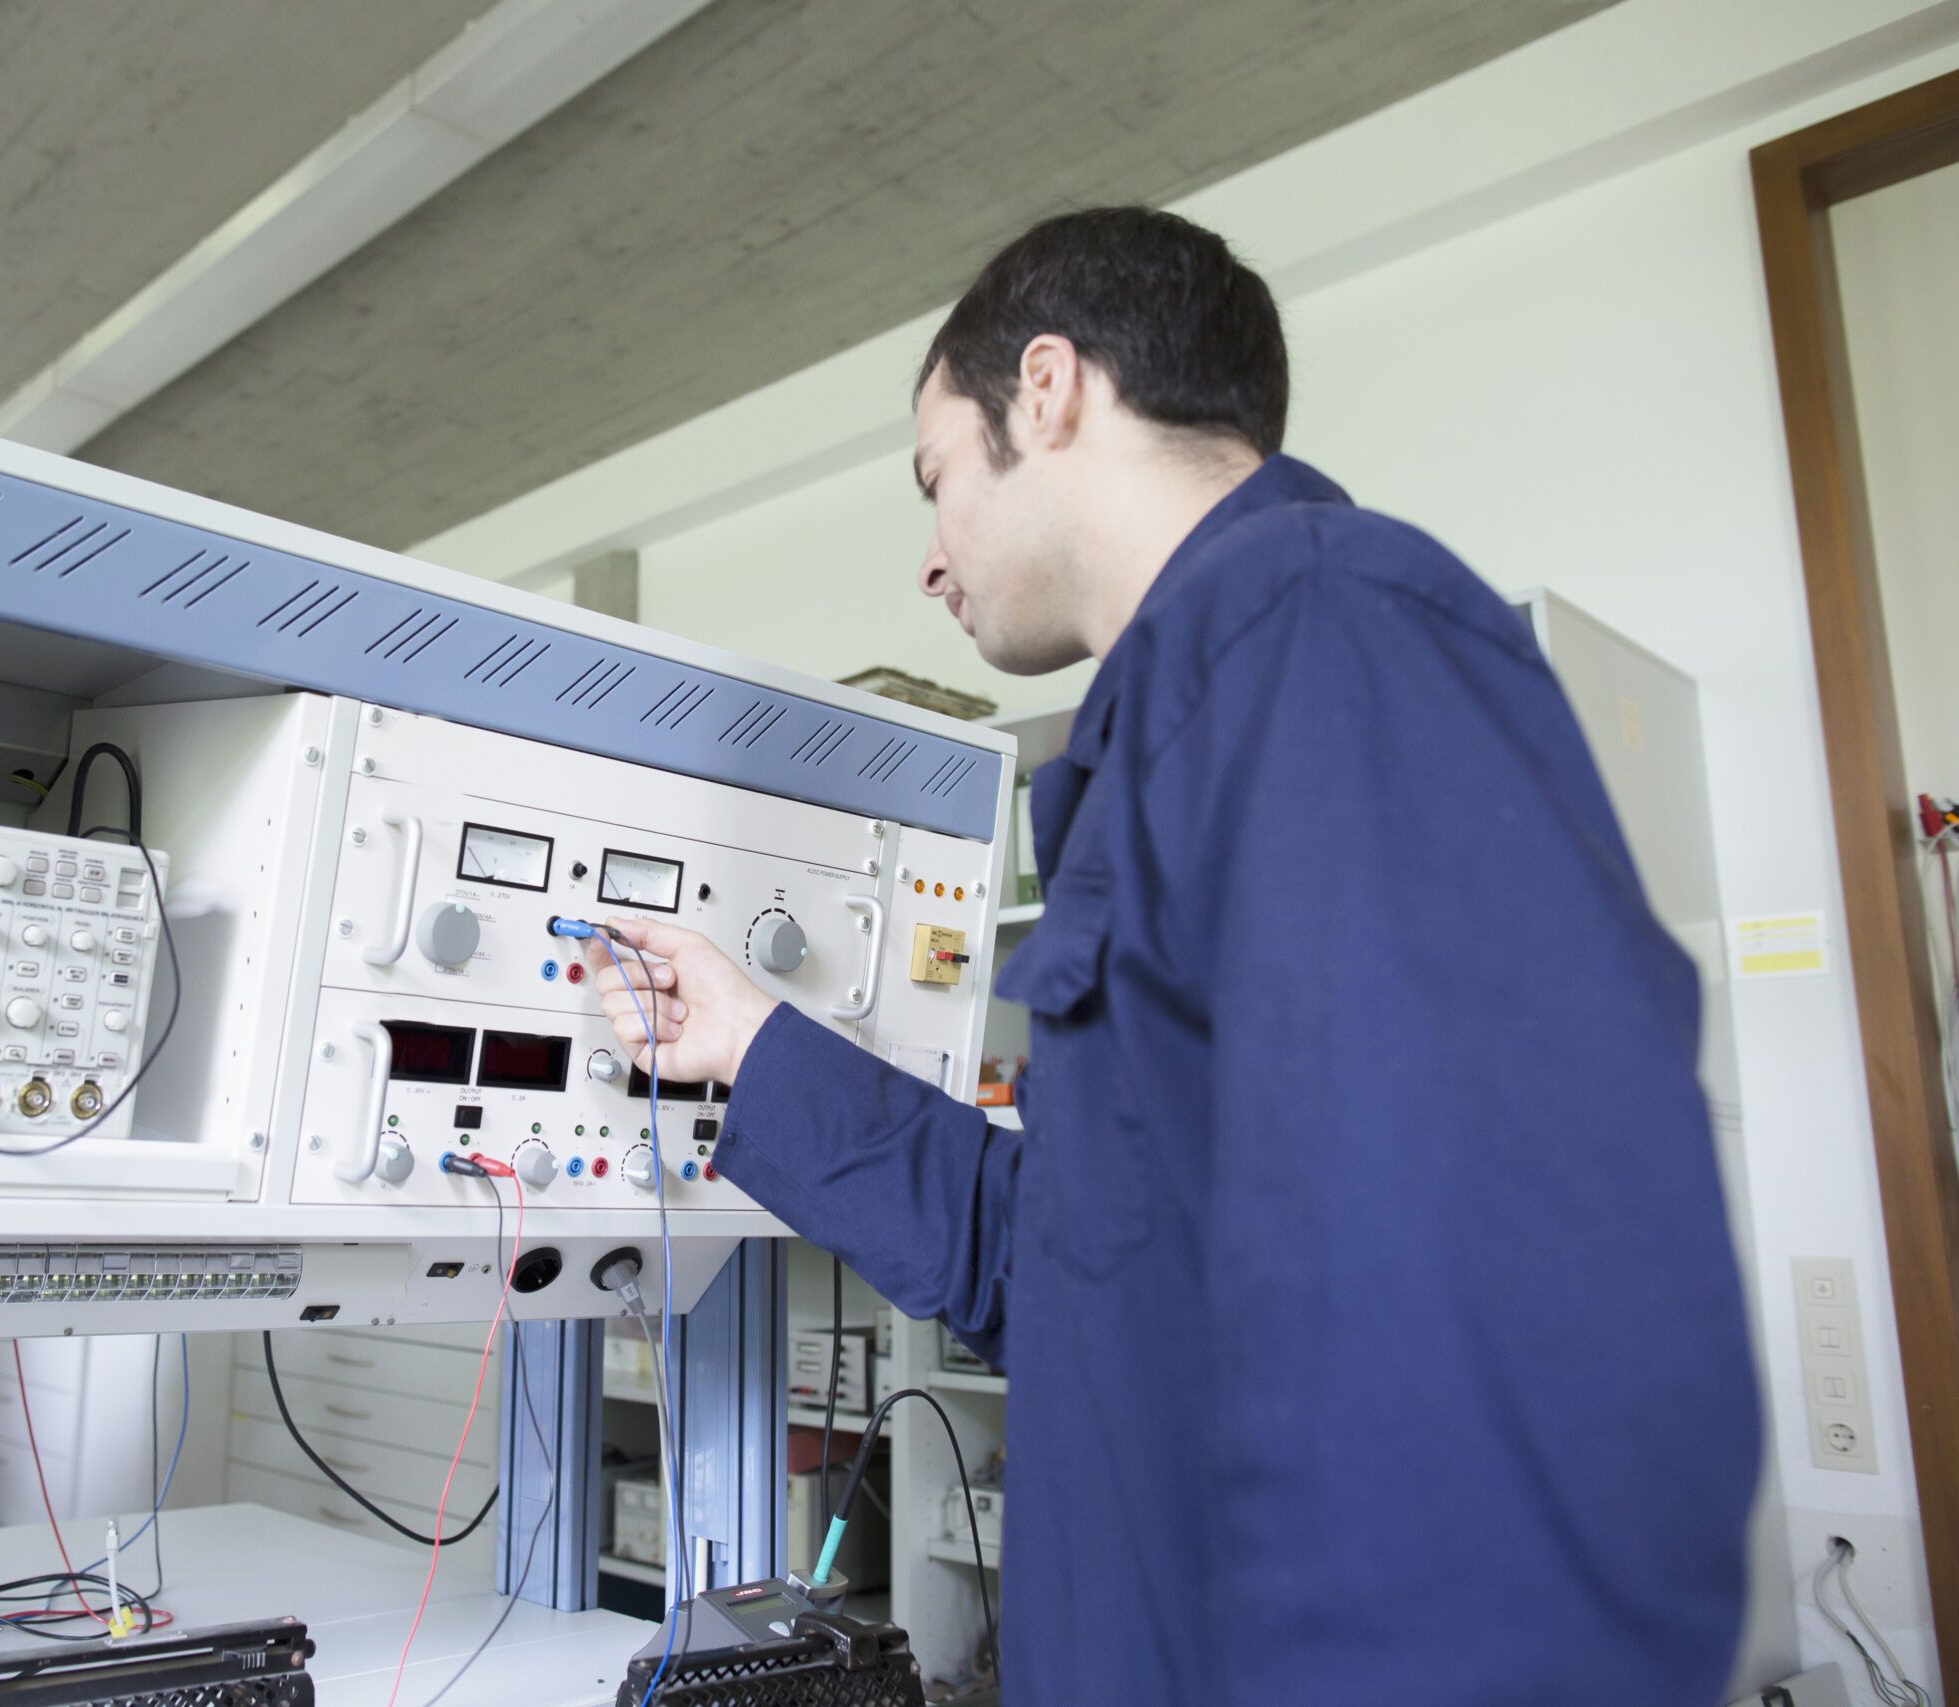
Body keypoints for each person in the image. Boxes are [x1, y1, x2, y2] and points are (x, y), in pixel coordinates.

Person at [581, 207, 1760, 1705]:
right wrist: (752, 1046)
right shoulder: (1187, 715)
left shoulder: (1321, 632)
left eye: (938, 480)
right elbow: (1076, 1266)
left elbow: (1527, 1331)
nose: (930, 566)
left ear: (1052, 388)